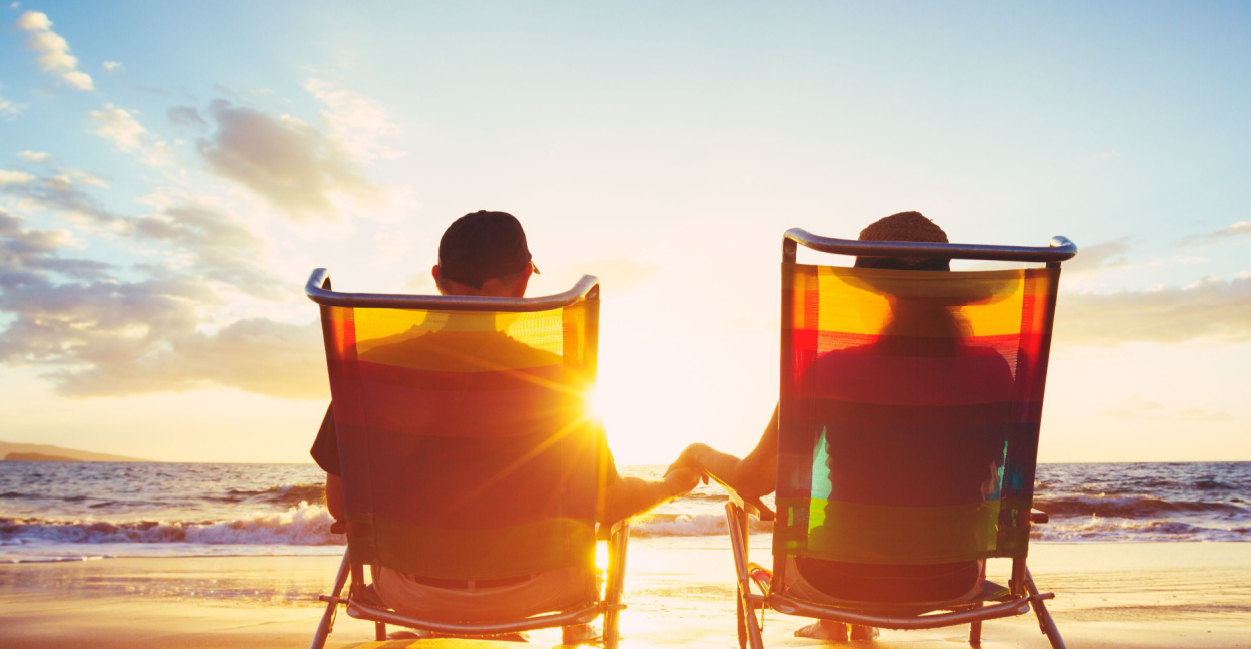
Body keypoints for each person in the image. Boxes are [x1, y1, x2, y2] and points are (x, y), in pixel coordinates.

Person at [311, 210, 700, 641]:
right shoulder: (562, 380)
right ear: (522, 282)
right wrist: (671, 485)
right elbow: (606, 505)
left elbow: (341, 504)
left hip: (406, 591)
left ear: (438, 277)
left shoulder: (370, 370)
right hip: (539, 589)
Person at [669, 211, 1010, 642]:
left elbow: (753, 480)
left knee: (830, 529)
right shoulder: (995, 371)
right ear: (945, 289)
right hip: (952, 577)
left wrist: (698, 452)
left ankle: (840, 616)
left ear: (878, 292)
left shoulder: (831, 370)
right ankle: (849, 623)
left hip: (834, 578)